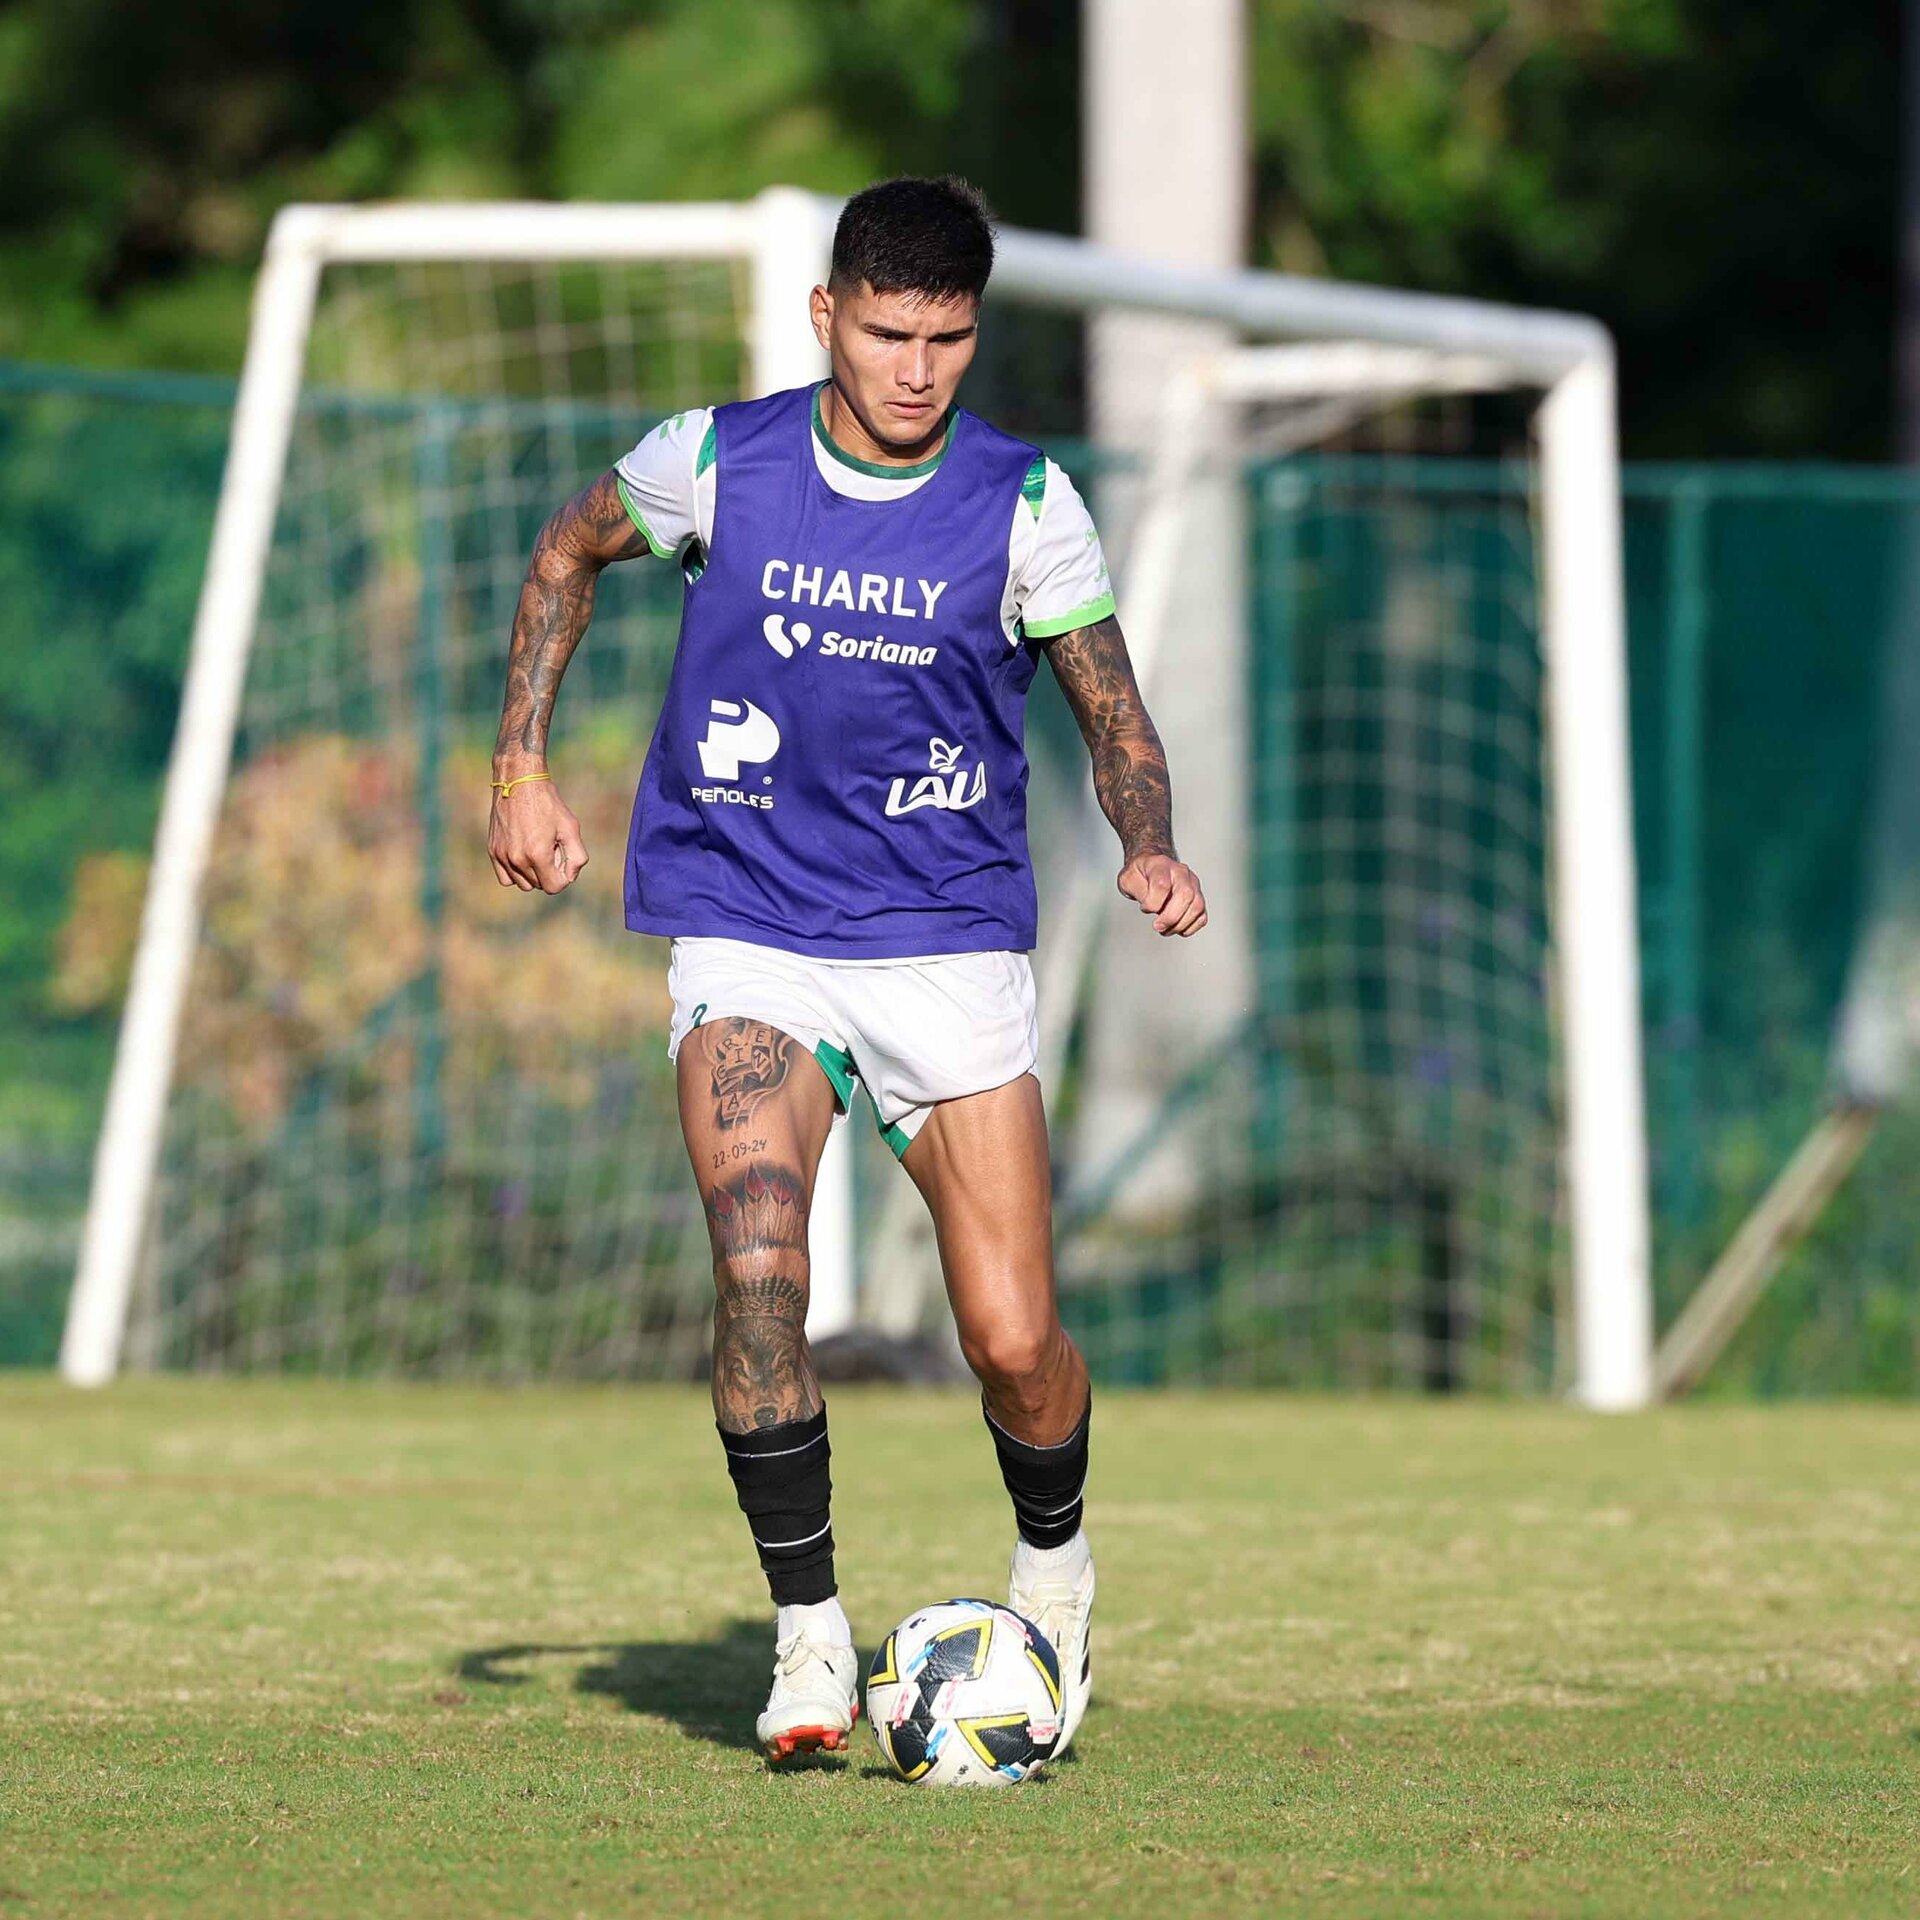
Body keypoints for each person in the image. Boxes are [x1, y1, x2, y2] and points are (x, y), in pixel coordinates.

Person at [487, 175, 1206, 1762]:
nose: (916, 369)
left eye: (948, 339)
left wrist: (1146, 838)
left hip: (947, 945)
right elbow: (563, 552)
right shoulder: (714, 464)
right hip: (747, 930)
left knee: (1012, 1337)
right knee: (759, 1273)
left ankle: (1057, 1571)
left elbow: (1116, 716)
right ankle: (810, 1639)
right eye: (887, 333)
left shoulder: (1026, 505)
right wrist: (520, 767)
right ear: (827, 317)